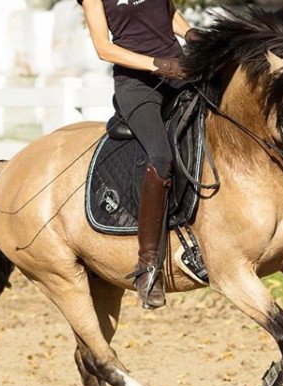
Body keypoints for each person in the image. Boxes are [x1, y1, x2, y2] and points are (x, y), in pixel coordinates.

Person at [78, 0, 195, 309]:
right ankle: (148, 266)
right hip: (137, 84)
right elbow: (104, 48)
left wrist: (191, 33)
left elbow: (166, 13)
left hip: (179, 70)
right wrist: (156, 64)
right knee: (161, 156)